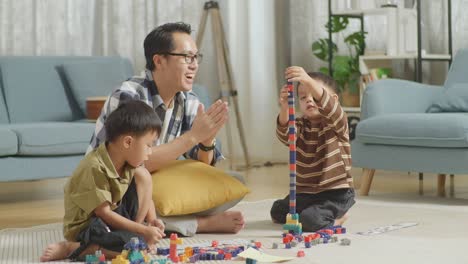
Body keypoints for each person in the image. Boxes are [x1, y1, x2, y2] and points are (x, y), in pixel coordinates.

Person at [87, 22, 244, 236]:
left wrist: (207, 141)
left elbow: (200, 167)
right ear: (159, 60)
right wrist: (194, 136)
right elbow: (131, 165)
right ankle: (199, 224)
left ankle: (167, 222)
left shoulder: (188, 101)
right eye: (187, 57)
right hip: (114, 186)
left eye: (196, 57)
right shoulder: (129, 95)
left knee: (232, 182)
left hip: (151, 182)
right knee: (138, 184)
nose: (194, 65)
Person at [40, 101, 165, 262]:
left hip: (112, 217)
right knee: (128, 248)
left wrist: (152, 221)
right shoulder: (94, 167)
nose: (150, 152)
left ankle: (132, 237)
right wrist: (142, 230)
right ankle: (72, 247)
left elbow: (147, 197)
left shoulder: (129, 163)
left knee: (143, 175)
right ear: (128, 142)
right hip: (89, 226)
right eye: (148, 145)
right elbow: (103, 213)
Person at [270, 68, 355, 232]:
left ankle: (337, 219)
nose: (309, 100)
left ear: (333, 100)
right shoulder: (300, 126)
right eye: (303, 97)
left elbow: (331, 108)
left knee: (310, 221)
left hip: (335, 193)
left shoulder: (336, 122)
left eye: (314, 96)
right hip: (307, 193)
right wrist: (285, 108)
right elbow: (285, 135)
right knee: (278, 211)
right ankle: (313, 212)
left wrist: (308, 81)